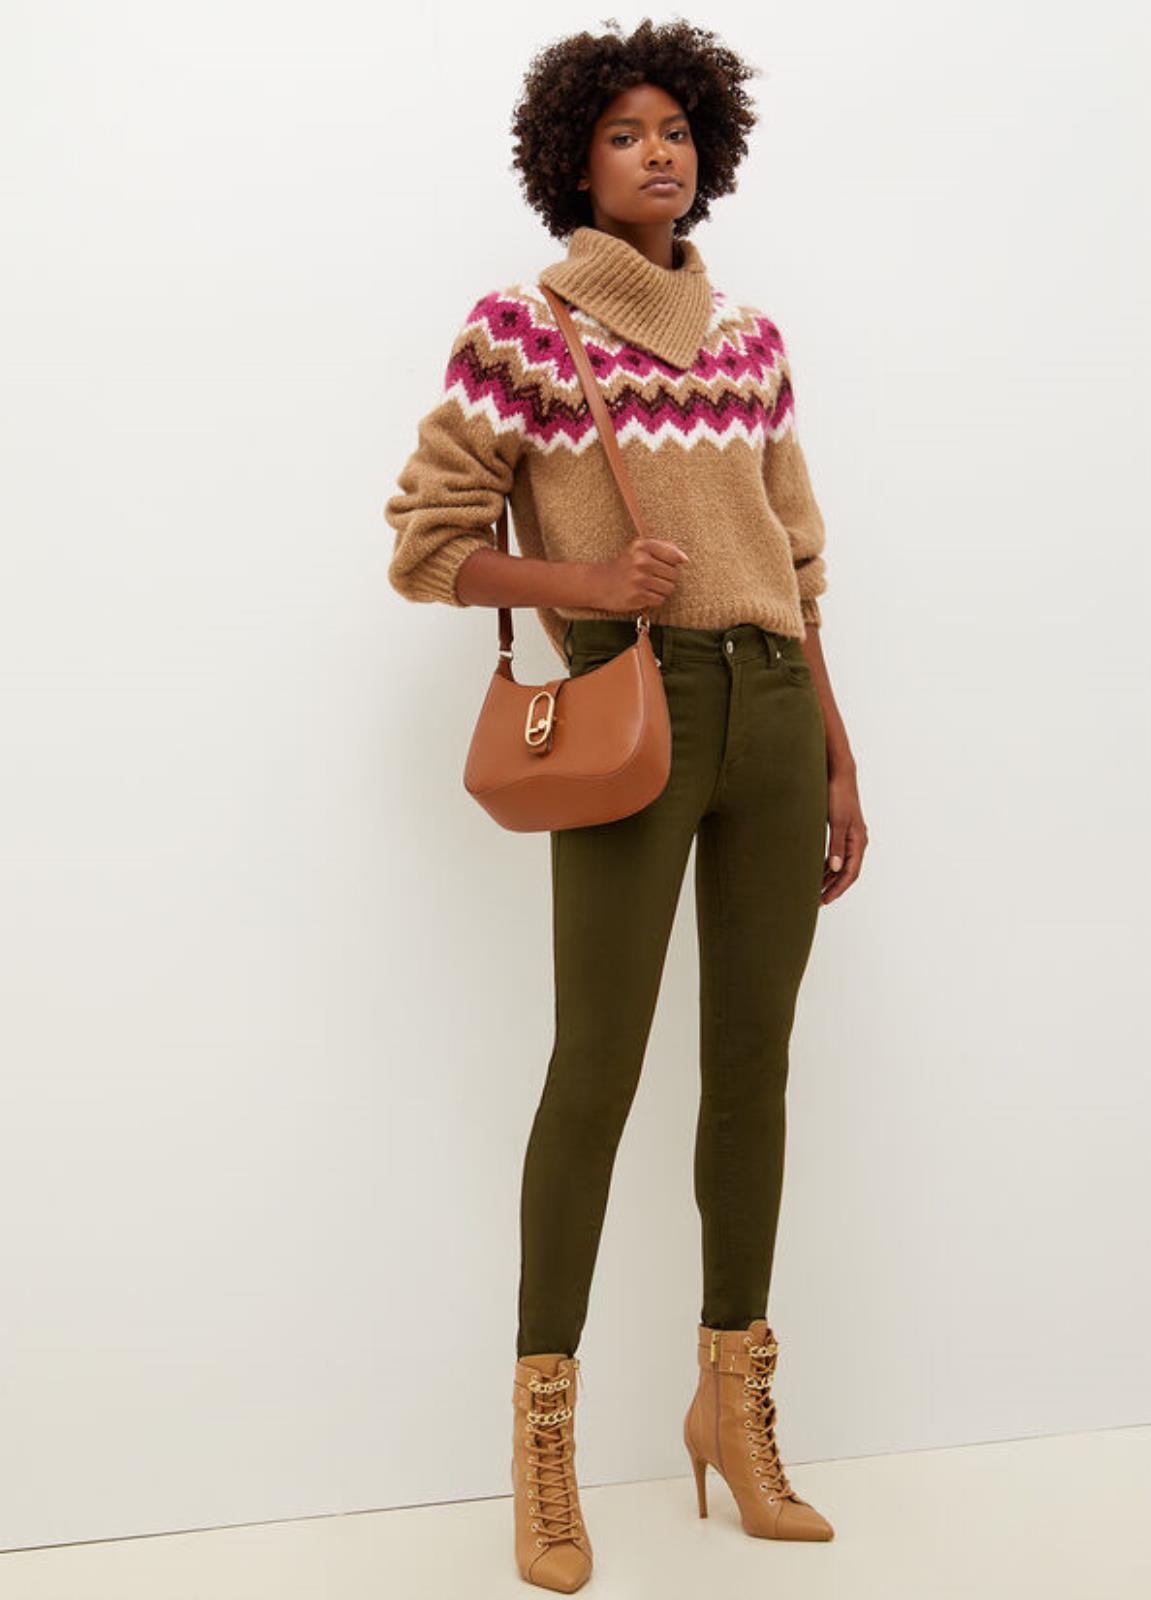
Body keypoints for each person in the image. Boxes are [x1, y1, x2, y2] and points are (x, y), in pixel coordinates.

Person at [384, 19, 868, 1592]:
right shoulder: (522, 333)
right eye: (623, 133)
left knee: (753, 1067)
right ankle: (544, 1444)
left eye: (676, 129)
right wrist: (589, 584)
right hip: (633, 712)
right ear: (572, 161)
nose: (658, 152)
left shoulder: (751, 341)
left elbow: (797, 562)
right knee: (592, 1069)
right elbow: (429, 545)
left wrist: (839, 754)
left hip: (775, 710)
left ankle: (734, 1404)